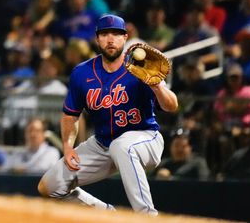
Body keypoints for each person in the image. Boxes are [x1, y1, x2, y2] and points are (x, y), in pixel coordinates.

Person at [38, 14, 179, 215]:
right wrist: (68, 146)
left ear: (125, 37)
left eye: (116, 34)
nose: (110, 39)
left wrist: (157, 87)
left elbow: (172, 105)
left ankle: (147, 217)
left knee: (122, 146)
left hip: (145, 139)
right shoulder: (82, 73)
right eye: (104, 34)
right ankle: (107, 215)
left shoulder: (140, 67)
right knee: (49, 186)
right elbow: (70, 115)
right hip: (102, 144)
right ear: (97, 39)